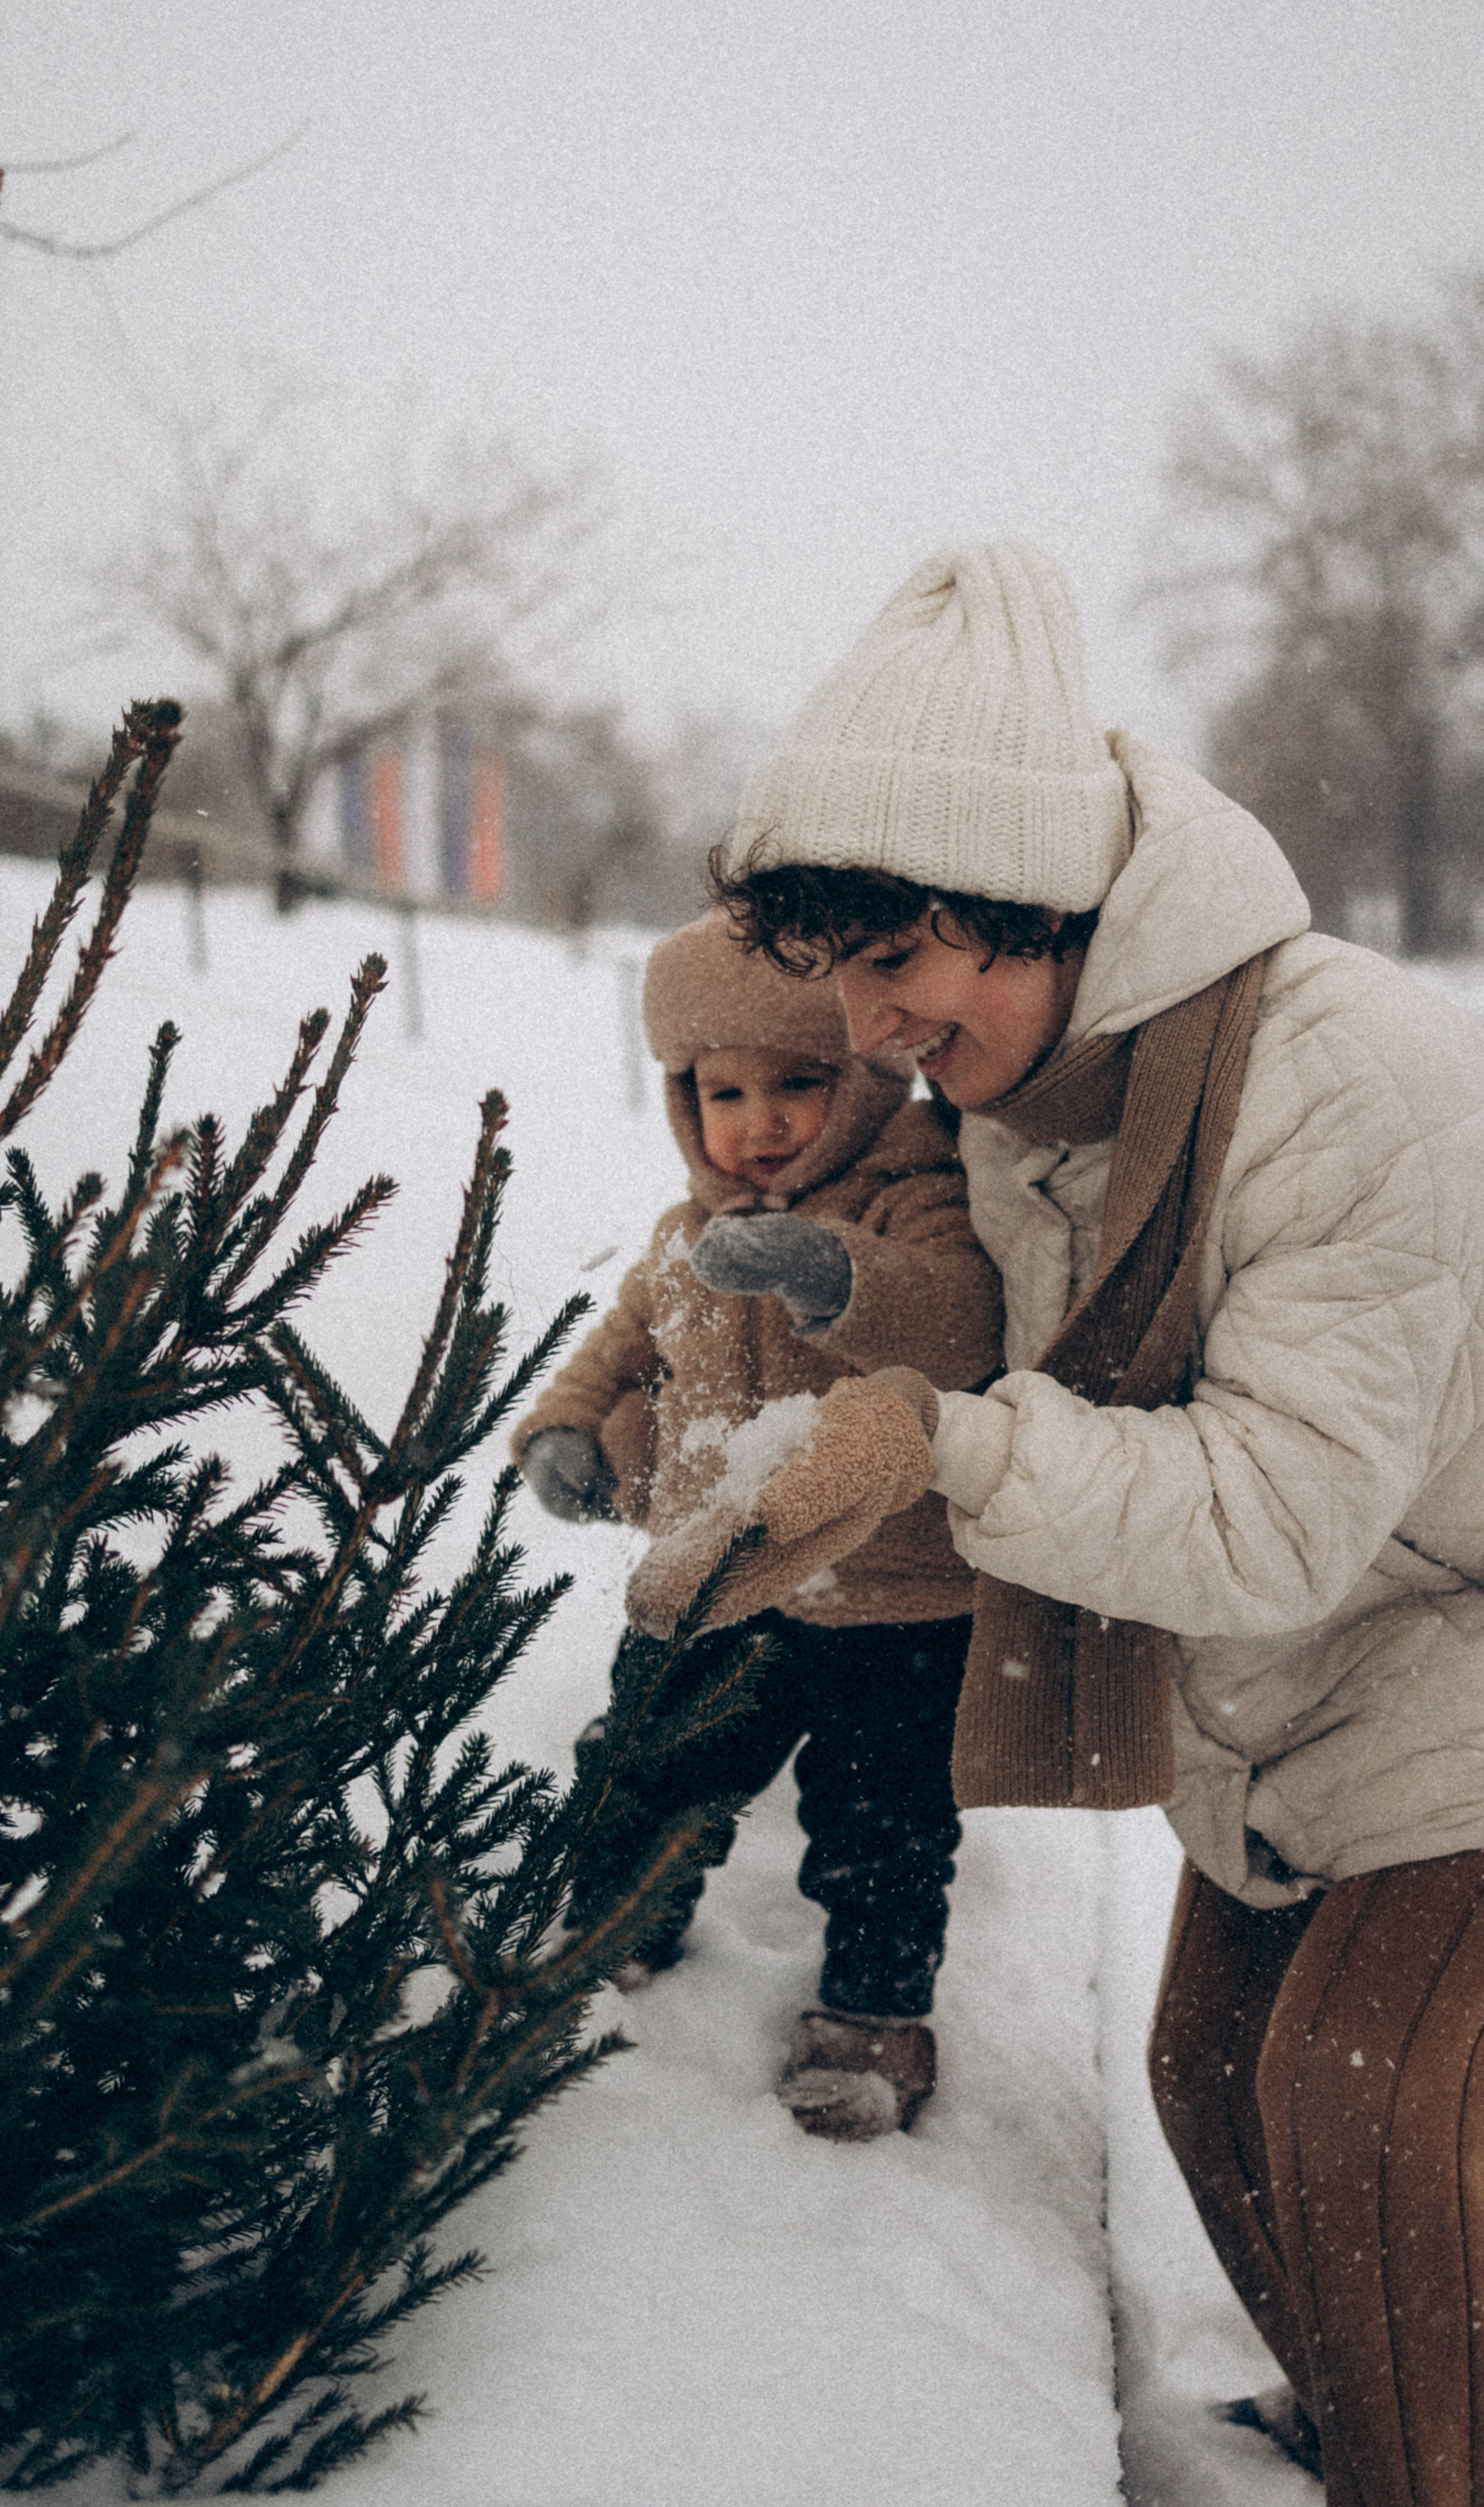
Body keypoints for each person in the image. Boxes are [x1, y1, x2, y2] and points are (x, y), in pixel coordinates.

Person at [678, 538, 1484, 2504]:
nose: (873, 1029)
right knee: (1206, 2088)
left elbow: (1277, 1509)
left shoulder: (1339, 1073)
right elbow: (959, 1345)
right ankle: (1380, 2425)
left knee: (1363, 2125)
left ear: (1036, 910)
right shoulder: (1033, 1108)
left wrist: (942, 1449)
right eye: (843, 973)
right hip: (1292, 1695)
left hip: (1438, 1647)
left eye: (898, 964)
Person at [511, 908, 1002, 2139]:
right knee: (650, 1762)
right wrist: (565, 1430)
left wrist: (828, 1272)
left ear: (866, 1078)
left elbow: (958, 1322)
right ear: (685, 1104)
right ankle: (619, 1922)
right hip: (718, 1578)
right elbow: (614, 1351)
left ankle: (874, 2013)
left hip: (895, 1591)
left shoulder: (912, 1193)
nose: (760, 1122)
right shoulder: (685, 1236)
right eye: (722, 1093)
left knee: (882, 1821)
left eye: (798, 1083)